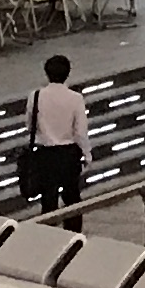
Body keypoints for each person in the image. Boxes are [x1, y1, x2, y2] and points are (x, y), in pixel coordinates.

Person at [22, 51, 88, 216]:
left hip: (46, 152)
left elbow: (29, 125)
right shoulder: (76, 98)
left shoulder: (35, 96)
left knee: (48, 197)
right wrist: (87, 154)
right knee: (72, 196)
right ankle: (73, 233)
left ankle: (48, 234)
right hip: (69, 153)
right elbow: (80, 131)